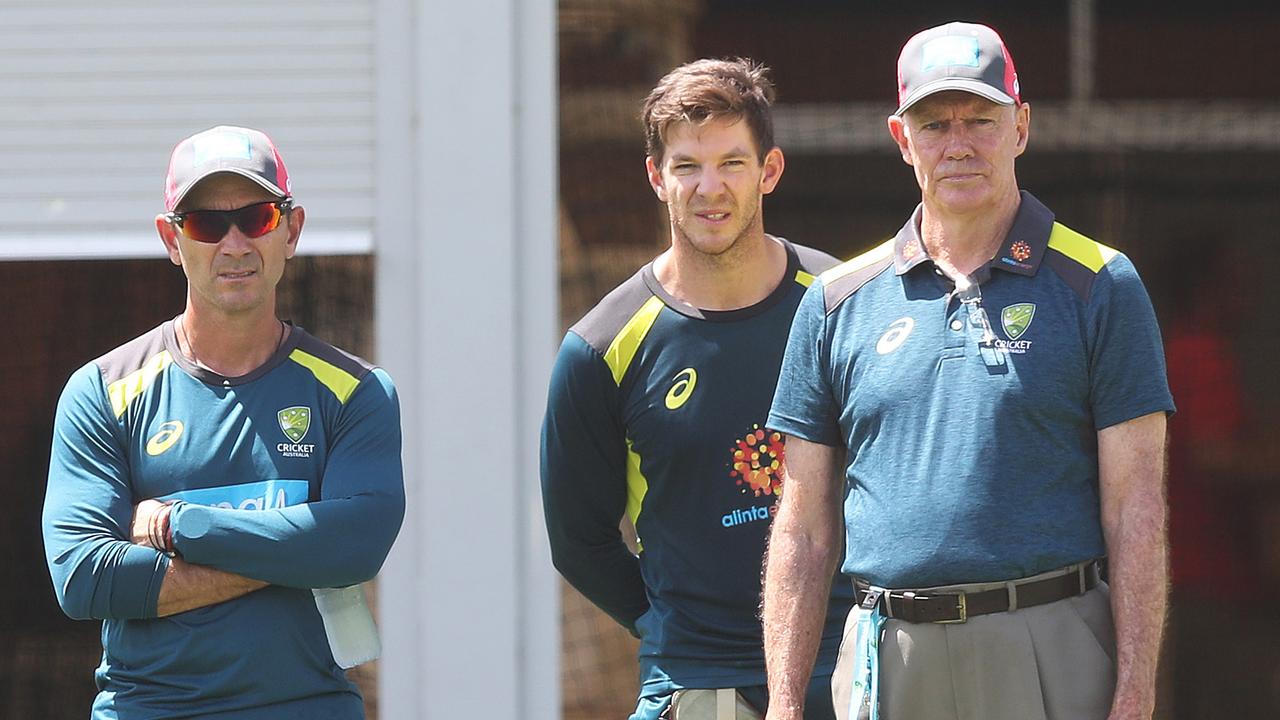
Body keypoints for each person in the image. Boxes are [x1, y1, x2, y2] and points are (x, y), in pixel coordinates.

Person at [761, 22, 1173, 720]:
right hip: (886, 658)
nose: (959, 143)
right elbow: (802, 527)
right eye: (934, 124)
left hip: (1054, 644)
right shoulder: (834, 302)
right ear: (901, 139)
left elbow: (1136, 509)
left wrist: (1134, 695)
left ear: (1021, 128)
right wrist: (782, 702)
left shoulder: (1102, 283)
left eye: (982, 119)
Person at [42, 125, 405, 719]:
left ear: (291, 230)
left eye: (257, 218)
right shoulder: (102, 391)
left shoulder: (355, 392)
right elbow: (85, 579)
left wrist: (180, 528)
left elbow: (356, 547)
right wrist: (296, 548)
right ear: (171, 238)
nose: (234, 244)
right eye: (208, 224)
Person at [541, 58, 853, 720]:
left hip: (847, 661)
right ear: (657, 177)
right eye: (687, 166)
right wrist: (670, 628)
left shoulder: (847, 304)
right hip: (697, 678)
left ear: (769, 170)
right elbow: (578, 542)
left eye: (732, 163)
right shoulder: (600, 348)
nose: (710, 188)